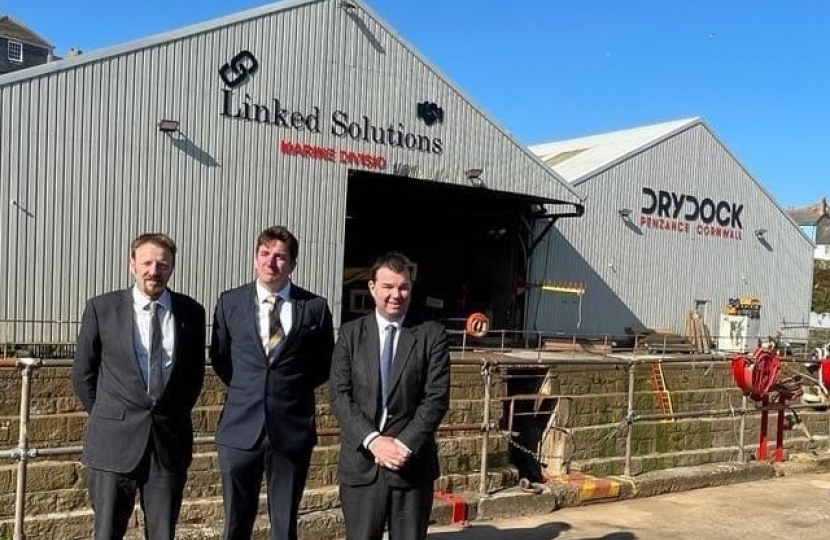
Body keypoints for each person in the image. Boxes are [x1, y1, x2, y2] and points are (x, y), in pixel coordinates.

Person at [72, 233, 206, 540]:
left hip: (167, 443)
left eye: (162, 264)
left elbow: (193, 377)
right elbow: (83, 374)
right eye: (146, 262)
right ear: (132, 265)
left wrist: (168, 414)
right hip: (112, 443)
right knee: (107, 532)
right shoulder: (102, 309)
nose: (153, 270)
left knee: (162, 533)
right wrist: (111, 413)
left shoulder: (191, 313)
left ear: (172, 267)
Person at [210, 225, 334, 540]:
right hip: (239, 430)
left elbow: (323, 365)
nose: (271, 262)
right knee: (235, 523)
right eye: (264, 254)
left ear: (292, 264)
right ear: (255, 259)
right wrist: (251, 389)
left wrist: (285, 390)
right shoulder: (230, 302)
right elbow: (222, 360)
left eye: (280, 257)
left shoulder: (315, 308)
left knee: (284, 525)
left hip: (291, 429)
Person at [329, 252, 451, 540]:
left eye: (403, 287)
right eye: (388, 287)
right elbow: (339, 395)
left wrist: (402, 446)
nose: (396, 295)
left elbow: (436, 398)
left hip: (410, 467)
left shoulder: (431, 334)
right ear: (372, 288)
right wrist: (373, 441)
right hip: (362, 465)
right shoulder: (350, 335)